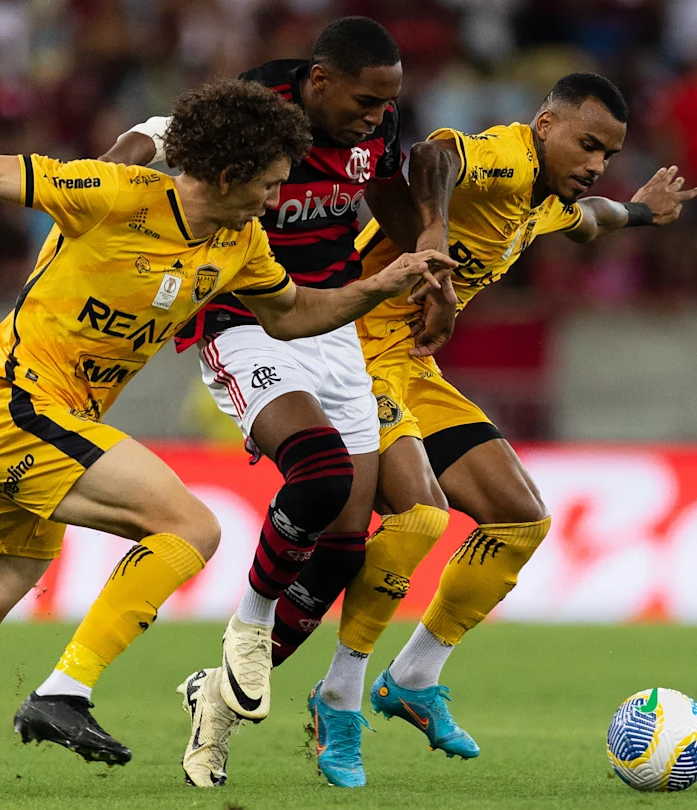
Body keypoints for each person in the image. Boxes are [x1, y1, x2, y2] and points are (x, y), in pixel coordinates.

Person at [0, 78, 453, 794]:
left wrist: (381, 286)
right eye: (267, 184)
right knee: (189, 527)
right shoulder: (117, 194)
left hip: (58, 429)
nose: (274, 200)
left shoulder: (240, 244)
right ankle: (64, 692)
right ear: (228, 174)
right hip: (17, 411)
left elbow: (294, 315)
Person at [183, 73, 697, 789]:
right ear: (545, 124)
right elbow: (432, 157)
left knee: (521, 518)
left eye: (607, 155)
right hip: (354, 353)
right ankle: (338, 696)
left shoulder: (548, 200)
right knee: (420, 517)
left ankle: (415, 678)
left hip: (411, 371)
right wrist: (432, 231)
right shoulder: (506, 158)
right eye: (585, 144)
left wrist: (642, 213)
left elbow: (592, 221)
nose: (593, 164)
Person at [99, 18, 454, 787]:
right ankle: (250, 626)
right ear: (320, 80)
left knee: (344, 548)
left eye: (386, 103)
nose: (375, 115)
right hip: (244, 316)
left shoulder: (374, 126)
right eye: (364, 100)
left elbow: (390, 196)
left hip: (334, 322)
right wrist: (110, 175)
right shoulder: (255, 104)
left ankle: (215, 702)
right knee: (319, 473)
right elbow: (155, 135)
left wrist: (432, 265)